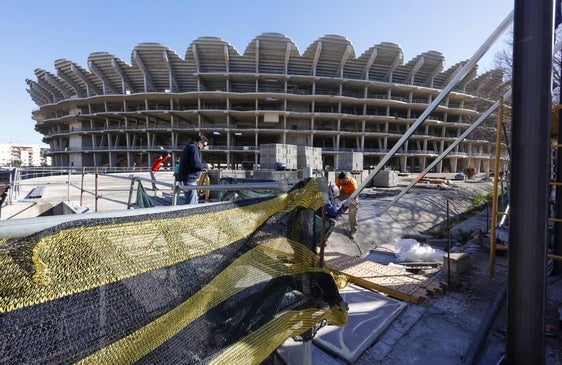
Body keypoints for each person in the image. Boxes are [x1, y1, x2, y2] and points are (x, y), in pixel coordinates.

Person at [177, 135, 211, 204]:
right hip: (190, 179)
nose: (203, 148)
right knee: (191, 202)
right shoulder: (193, 148)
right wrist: (206, 165)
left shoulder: (189, 146)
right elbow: (196, 164)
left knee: (194, 201)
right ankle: (187, 214)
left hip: (187, 178)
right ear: (200, 142)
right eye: (203, 145)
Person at [335, 171, 359, 238]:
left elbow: (353, 197)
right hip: (344, 192)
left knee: (352, 212)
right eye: (341, 181)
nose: (341, 182)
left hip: (353, 195)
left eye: (343, 181)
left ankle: (354, 231)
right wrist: (336, 199)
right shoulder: (340, 180)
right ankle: (333, 215)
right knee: (333, 197)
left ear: (347, 178)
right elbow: (336, 190)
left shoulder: (353, 184)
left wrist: (346, 204)